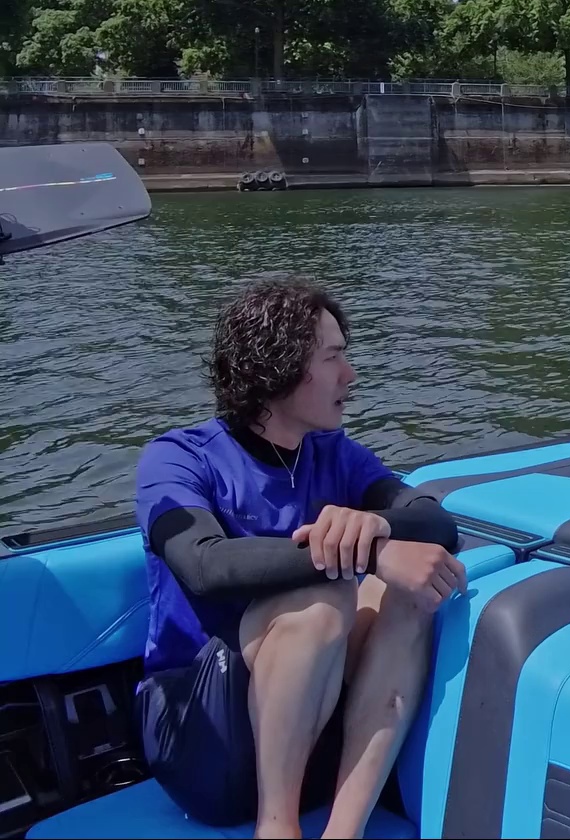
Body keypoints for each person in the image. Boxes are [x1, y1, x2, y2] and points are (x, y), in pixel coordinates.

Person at [134, 276, 467, 838]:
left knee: (408, 596)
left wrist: (379, 528)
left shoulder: (333, 454)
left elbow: (434, 520)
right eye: (333, 357)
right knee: (324, 597)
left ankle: (343, 830)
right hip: (202, 739)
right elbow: (204, 565)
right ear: (277, 368)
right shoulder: (178, 459)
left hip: (312, 728)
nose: (350, 375)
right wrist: (367, 557)